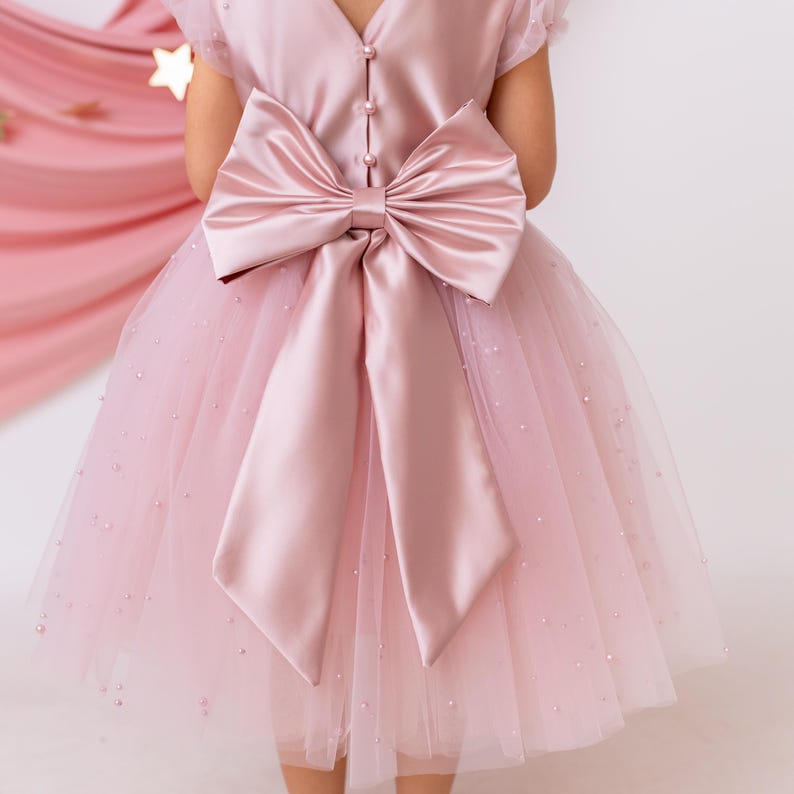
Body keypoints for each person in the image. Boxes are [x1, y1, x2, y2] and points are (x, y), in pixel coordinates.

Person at [25, 1, 729, 792]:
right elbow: (529, 171)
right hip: (454, 296)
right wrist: (423, 187)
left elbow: (208, 169)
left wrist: (312, 190)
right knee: (446, 528)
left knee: (289, 532)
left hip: (275, 304)